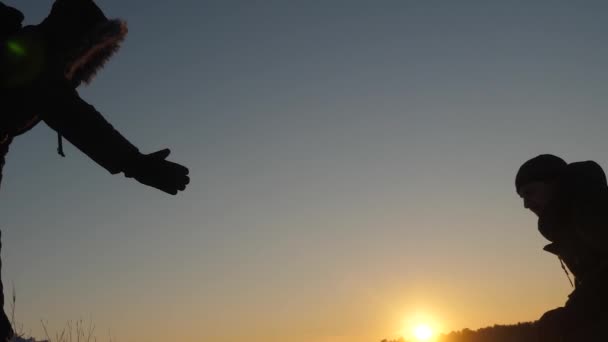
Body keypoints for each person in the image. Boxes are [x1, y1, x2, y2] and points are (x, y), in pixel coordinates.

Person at [1, 1, 190, 340]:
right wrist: (132, 162)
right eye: (83, 51)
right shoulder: (27, 55)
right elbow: (68, 112)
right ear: (70, 40)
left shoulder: (34, 65)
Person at [515, 154, 608, 341]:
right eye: (522, 197)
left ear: (554, 183)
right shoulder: (568, 223)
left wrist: (571, 313)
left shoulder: (593, 208)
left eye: (529, 192)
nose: (526, 204)